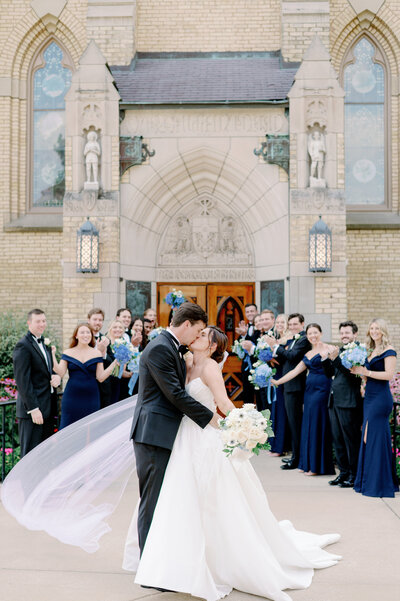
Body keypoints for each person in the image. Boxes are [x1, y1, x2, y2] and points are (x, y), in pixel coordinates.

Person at [123, 325, 341, 599]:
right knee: (178, 497)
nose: (198, 337)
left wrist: (244, 426)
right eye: (198, 333)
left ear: (212, 346)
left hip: (203, 437)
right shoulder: (187, 360)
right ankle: (175, 558)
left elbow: (224, 404)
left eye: (204, 336)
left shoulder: (211, 368)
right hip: (182, 438)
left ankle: (215, 560)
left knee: (212, 500)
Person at [130, 302, 219, 556]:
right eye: (199, 330)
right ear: (187, 324)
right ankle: (147, 560)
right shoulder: (160, 348)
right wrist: (211, 418)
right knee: (151, 499)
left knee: (163, 498)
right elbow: (175, 395)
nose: (198, 336)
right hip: (153, 434)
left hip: (165, 433)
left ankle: (161, 558)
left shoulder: (171, 347)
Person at [272, 324, 336, 476]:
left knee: (317, 425)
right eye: (309, 333)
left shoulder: (330, 348)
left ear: (321, 333)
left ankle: (317, 466)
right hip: (309, 392)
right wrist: (278, 382)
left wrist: (328, 357)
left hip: (322, 391)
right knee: (307, 424)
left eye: (315, 332)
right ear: (306, 336)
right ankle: (306, 463)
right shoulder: (308, 353)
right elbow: (295, 371)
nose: (313, 336)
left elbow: (333, 370)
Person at [350, 318, 399, 498]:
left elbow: (388, 375)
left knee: (373, 436)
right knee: (367, 437)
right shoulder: (370, 350)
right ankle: (370, 480)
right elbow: (367, 376)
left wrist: (367, 372)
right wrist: (361, 376)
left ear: (383, 330)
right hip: (369, 396)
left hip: (381, 398)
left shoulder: (389, 350)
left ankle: (378, 484)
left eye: (377, 328)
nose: (374, 331)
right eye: (371, 328)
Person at [264, 313, 311, 470]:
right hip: (288, 385)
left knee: (295, 424)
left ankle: (297, 459)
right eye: (290, 325)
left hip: (296, 386)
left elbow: (292, 355)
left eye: (295, 324)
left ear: (302, 324)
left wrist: (275, 346)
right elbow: (286, 357)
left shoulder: (303, 340)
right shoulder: (294, 339)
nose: (292, 327)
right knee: (293, 423)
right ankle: (295, 456)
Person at [13, 309, 61, 457]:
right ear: (29, 323)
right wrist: (33, 409)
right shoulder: (23, 345)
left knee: (44, 456)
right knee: (29, 455)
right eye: (38, 321)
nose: (42, 324)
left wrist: (56, 377)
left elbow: (46, 372)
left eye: (44, 321)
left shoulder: (45, 344)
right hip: (33, 411)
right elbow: (22, 380)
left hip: (47, 409)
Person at [321, 321, 363, 488]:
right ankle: (343, 473)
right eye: (342, 333)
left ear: (355, 334)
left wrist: (336, 358)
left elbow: (352, 373)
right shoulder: (341, 350)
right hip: (335, 400)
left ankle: (353, 475)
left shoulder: (358, 351)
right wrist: (325, 359)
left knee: (350, 440)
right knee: (338, 439)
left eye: (347, 332)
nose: (344, 335)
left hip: (349, 401)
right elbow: (330, 373)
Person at [52, 323, 117, 428]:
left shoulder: (96, 353)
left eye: (88, 332)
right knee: (68, 429)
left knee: (91, 429)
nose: (85, 335)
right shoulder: (68, 352)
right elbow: (60, 372)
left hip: (91, 398)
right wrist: (52, 355)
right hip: (71, 398)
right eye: (82, 332)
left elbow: (100, 377)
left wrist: (115, 363)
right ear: (76, 336)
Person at [269, 313, 290, 456]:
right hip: (275, 374)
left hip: (284, 375)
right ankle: (274, 445)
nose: (279, 324)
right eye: (278, 322)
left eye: (283, 322)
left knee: (282, 411)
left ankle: (281, 447)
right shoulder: (275, 338)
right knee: (275, 410)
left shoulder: (288, 339)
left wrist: (273, 346)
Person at [235, 302, 260, 405]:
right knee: (247, 396)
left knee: (259, 396)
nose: (250, 313)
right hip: (246, 367)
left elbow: (254, 343)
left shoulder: (260, 326)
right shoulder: (244, 327)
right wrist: (242, 335)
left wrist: (246, 335)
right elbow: (241, 345)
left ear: (256, 312)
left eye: (252, 311)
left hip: (258, 367)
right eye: (247, 312)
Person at [87, 308, 112, 408]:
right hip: (86, 385)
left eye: (100, 320)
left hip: (103, 389)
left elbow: (111, 362)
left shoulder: (105, 339)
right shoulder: (82, 338)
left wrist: (104, 354)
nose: (98, 322)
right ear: (88, 320)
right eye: (95, 319)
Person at [104, 319, 131, 403]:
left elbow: (122, 370)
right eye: (115, 327)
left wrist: (132, 373)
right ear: (110, 329)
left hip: (117, 382)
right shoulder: (105, 342)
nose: (118, 329)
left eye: (120, 327)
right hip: (105, 382)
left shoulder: (124, 345)